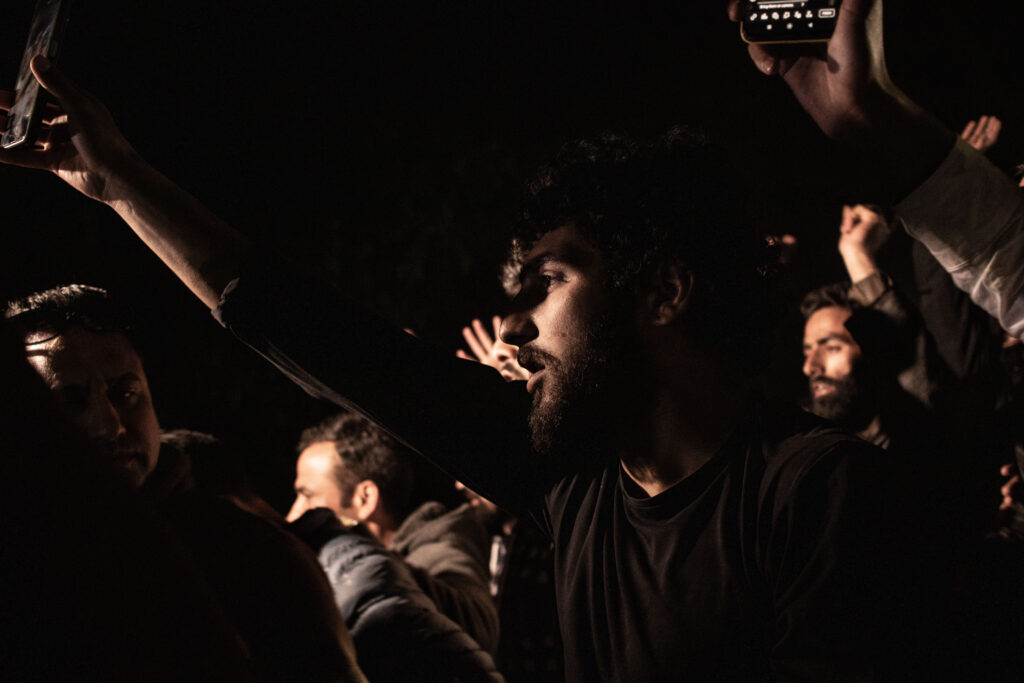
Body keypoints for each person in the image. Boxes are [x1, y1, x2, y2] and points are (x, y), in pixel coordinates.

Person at [0, 1, 973, 675]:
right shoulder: (575, 479)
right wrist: (117, 176)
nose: (510, 324)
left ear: (665, 288)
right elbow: (312, 330)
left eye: (548, 280)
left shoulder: (819, 493)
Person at [4, 285, 365, 683]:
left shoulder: (249, 555)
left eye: (125, 393)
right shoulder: (24, 575)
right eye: (69, 402)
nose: (109, 424)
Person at [287, 412, 499, 655]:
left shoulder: (441, 543)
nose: (293, 513)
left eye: (308, 495)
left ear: (365, 498)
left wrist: (359, 555)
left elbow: (482, 628)